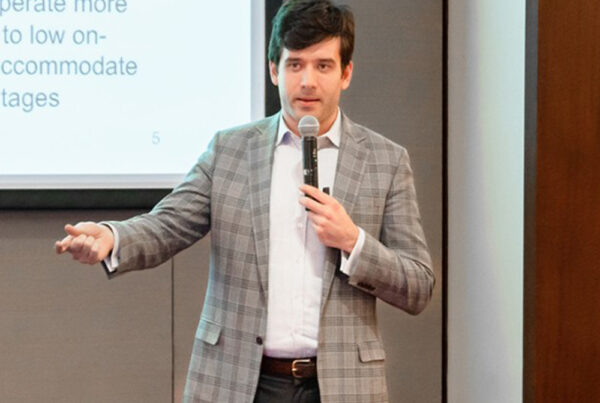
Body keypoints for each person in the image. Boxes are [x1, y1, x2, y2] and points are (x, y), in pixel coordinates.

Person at [55, 1, 434, 402]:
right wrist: (112, 237)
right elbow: (168, 223)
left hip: (340, 386)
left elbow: (418, 285)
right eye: (295, 65)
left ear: (346, 74)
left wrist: (353, 241)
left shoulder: (385, 161)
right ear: (274, 70)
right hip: (239, 380)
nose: (307, 81)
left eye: (323, 66)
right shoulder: (231, 150)